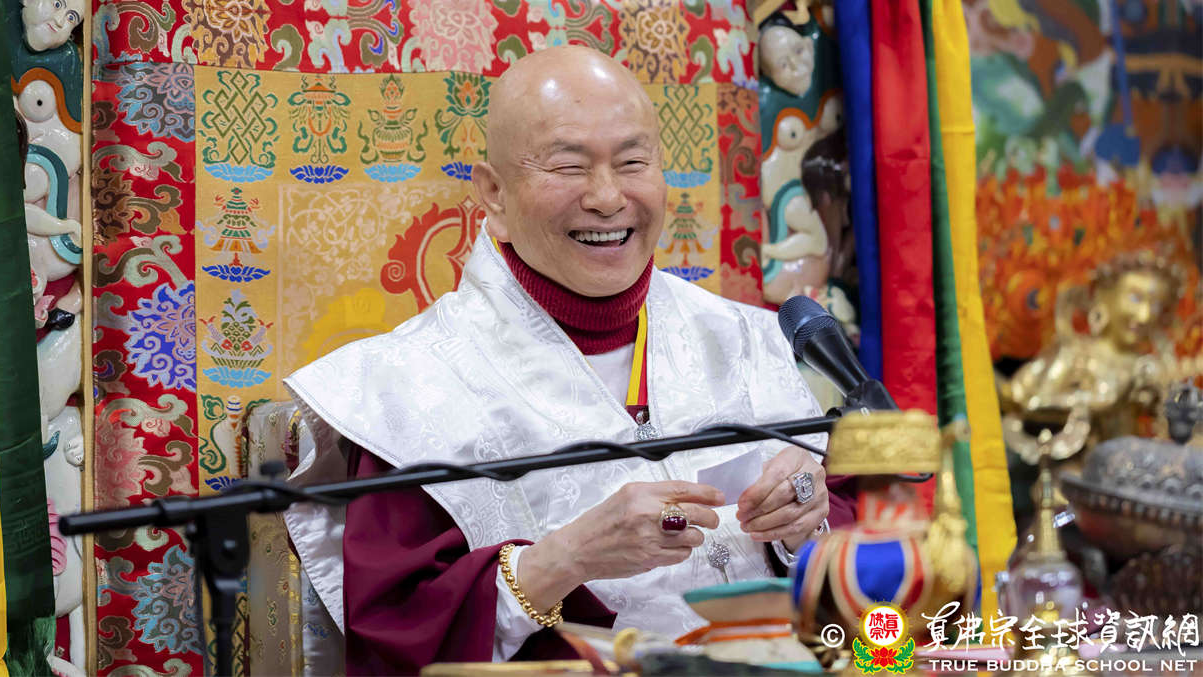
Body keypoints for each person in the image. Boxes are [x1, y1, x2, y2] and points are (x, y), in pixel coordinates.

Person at [284, 46, 856, 673]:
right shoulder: (406, 389)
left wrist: (806, 523)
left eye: (632, 162)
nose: (608, 198)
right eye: (568, 166)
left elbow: (863, 555)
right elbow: (399, 639)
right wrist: (565, 558)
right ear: (494, 193)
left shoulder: (747, 340)